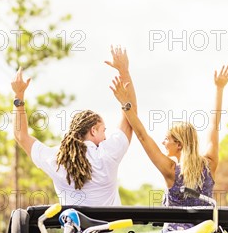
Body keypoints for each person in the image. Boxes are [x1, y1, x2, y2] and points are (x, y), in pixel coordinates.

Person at [110, 65, 228, 233]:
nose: (163, 142)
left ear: (179, 145)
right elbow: (214, 125)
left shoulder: (171, 171)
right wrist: (219, 88)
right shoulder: (209, 164)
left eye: (167, 139)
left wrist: (126, 105)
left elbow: (142, 135)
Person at [11, 46, 137, 206]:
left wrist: (18, 96)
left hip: (73, 231)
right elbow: (131, 117)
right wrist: (124, 72)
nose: (106, 136)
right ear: (93, 130)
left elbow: (20, 136)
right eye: (103, 130)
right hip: (107, 231)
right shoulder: (108, 153)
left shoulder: (57, 160)